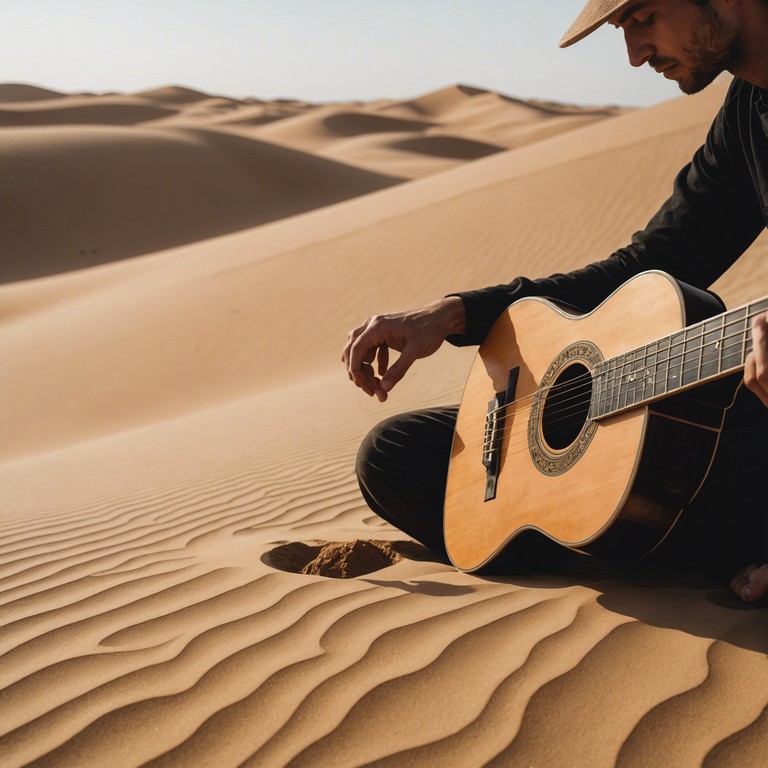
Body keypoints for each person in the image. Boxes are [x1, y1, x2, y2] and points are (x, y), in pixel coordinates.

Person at [342, 0, 768, 603]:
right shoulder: (749, 110)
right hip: (740, 387)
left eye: (642, 18)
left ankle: (673, 541)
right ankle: (662, 536)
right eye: (624, 31)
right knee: (395, 456)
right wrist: (457, 312)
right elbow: (651, 263)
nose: (635, 54)